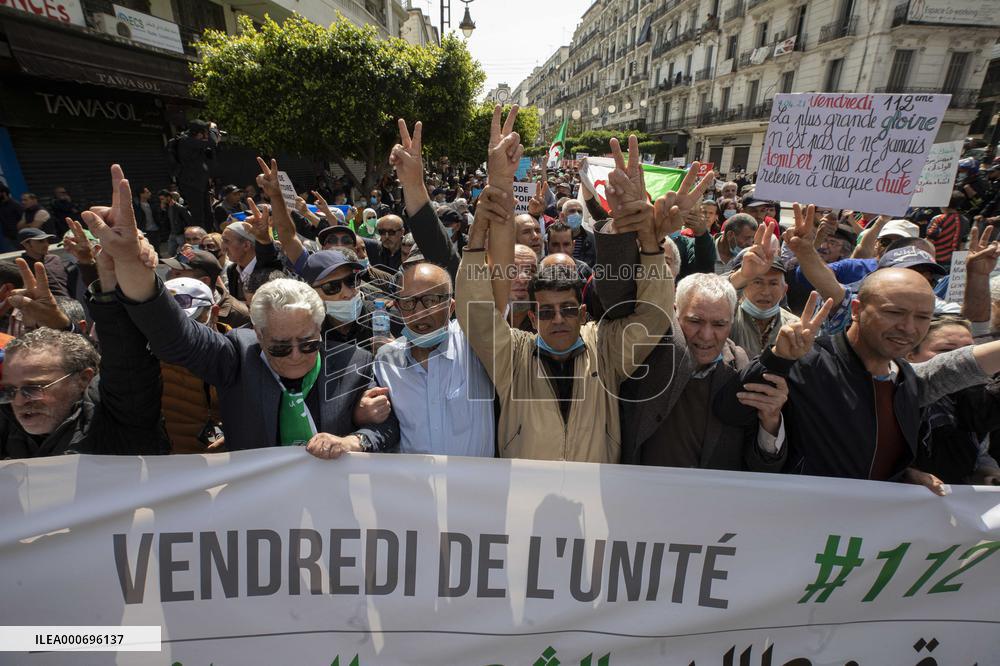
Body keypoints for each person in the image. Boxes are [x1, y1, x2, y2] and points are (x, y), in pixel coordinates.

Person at [91, 164, 398, 457]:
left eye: (308, 344)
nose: (295, 355)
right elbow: (173, 335)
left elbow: (386, 426)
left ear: (319, 331)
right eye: (280, 347)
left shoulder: (352, 363)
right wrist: (131, 263)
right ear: (260, 335)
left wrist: (354, 442)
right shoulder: (236, 356)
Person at [717, 204, 1000, 494]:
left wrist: (901, 475)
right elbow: (730, 411)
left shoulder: (906, 382)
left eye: (922, 318)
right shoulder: (808, 364)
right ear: (856, 309)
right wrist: (776, 359)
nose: (908, 327)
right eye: (894, 312)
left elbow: (959, 366)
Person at [457, 130, 672, 463]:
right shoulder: (512, 356)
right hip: (526, 503)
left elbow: (655, 315)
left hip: (593, 504)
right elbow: (476, 315)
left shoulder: (607, 347)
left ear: (584, 313)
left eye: (568, 310)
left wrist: (648, 239)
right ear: (532, 317)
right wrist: (476, 235)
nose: (558, 320)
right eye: (546, 312)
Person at [0, 227, 167, 458]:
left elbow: (126, 356)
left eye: (34, 388)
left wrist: (117, 267)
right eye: (7, 391)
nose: (18, 401)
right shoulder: (9, 426)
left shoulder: (115, 419)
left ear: (84, 379)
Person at [371, 260, 494, 456]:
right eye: (409, 303)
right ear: (398, 308)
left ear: (451, 306)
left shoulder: (475, 345)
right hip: (412, 485)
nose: (420, 313)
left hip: (475, 485)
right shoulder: (385, 361)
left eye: (431, 300)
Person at [727, 224, 800, 357]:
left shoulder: (795, 327)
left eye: (773, 283)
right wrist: (742, 275)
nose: (765, 292)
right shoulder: (727, 318)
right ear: (743, 286)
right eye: (757, 282)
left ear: (784, 290)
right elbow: (710, 298)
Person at [160, 247, 250, 329]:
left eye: (178, 274)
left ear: (204, 281)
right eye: (170, 271)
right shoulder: (165, 302)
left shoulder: (239, 316)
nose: (170, 278)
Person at [169, 119, 218, 228]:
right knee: (198, 216)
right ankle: (199, 240)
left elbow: (210, 157)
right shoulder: (186, 141)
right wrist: (213, 130)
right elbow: (213, 142)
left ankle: (209, 236)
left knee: (208, 214)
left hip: (201, 184)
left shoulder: (197, 144)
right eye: (206, 132)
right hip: (192, 185)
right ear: (199, 132)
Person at [18, 228, 69, 298]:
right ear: (26, 244)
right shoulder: (20, 266)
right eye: (40, 241)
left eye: (47, 241)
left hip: (71, 303)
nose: (46, 244)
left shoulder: (55, 259)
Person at [926, 191, 966, 268]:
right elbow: (963, 243)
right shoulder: (964, 220)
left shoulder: (938, 219)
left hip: (936, 258)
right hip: (952, 259)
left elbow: (930, 238)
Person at [221, 221, 258, 303]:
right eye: (222, 241)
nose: (223, 248)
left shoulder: (267, 270)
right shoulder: (232, 270)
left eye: (226, 241)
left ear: (246, 245)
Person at [162, 189, 193, 256]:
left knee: (184, 251)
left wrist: (185, 230)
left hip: (180, 233)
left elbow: (188, 220)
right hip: (172, 233)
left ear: (168, 197)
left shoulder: (180, 207)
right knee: (171, 251)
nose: (162, 201)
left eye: (162, 199)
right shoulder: (167, 207)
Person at [0, 183, 23, 249]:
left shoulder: (15, 205)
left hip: (18, 236)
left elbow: (24, 219)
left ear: (3, 193)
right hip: (7, 236)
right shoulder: (1, 206)